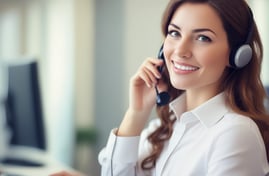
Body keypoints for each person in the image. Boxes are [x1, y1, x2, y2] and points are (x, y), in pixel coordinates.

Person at [51, 0, 269, 176]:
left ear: (238, 55)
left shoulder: (235, 133)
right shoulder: (168, 126)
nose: (180, 50)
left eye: (203, 38)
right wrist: (136, 113)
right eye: (174, 33)